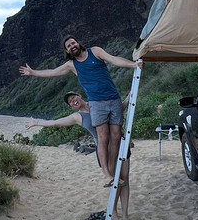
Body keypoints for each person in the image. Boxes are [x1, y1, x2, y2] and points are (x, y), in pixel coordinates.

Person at [19, 35, 141, 188]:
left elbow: (114, 59)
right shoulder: (72, 65)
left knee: (116, 137)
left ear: (78, 43)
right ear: (67, 51)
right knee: (103, 137)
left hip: (114, 99)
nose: (72, 46)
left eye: (72, 43)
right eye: (68, 46)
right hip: (96, 103)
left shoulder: (95, 51)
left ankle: (113, 171)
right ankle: (107, 174)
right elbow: (52, 72)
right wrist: (33, 73)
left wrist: (133, 65)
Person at [27, 92, 131, 220]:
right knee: (116, 180)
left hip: (120, 143)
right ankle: (114, 212)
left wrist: (129, 97)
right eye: (70, 101)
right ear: (71, 106)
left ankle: (125, 215)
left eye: (73, 97)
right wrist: (36, 122)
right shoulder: (77, 117)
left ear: (79, 95)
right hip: (105, 150)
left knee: (125, 177)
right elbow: (55, 123)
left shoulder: (96, 105)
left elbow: (118, 109)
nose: (73, 101)